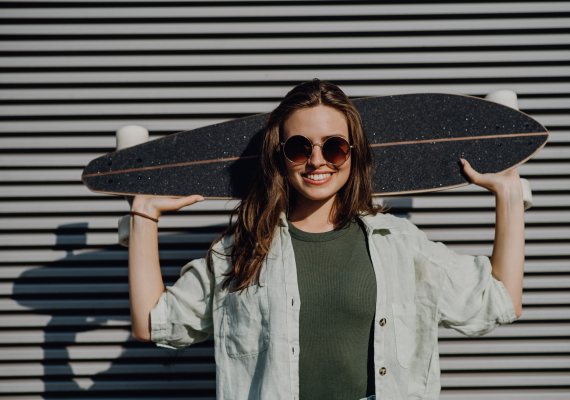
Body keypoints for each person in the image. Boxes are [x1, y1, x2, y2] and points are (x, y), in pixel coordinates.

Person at [127, 79, 524, 400]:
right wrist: (144, 214)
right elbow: (154, 323)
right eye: (300, 147)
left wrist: (508, 194)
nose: (318, 161)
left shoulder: (398, 243)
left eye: (334, 147)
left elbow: (500, 297)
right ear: (280, 156)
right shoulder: (241, 250)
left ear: (352, 154)